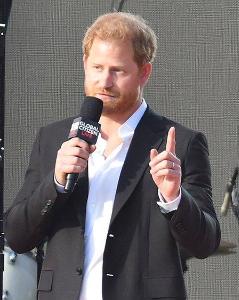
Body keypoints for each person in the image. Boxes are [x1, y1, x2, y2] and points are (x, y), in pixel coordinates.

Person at [5, 12, 221, 300]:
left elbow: (206, 243)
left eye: (117, 71)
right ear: (85, 64)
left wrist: (175, 198)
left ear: (144, 72)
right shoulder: (54, 139)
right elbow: (17, 236)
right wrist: (55, 182)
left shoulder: (180, 143)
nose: (104, 81)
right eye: (96, 67)